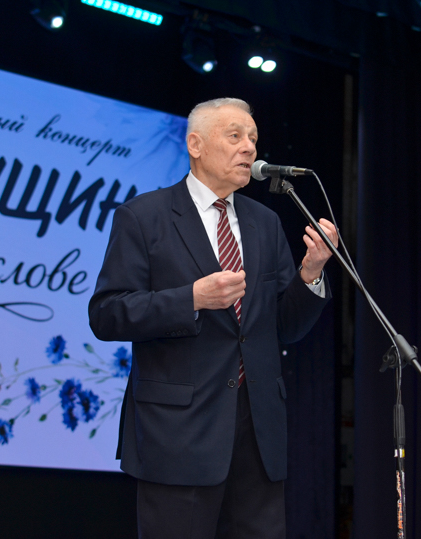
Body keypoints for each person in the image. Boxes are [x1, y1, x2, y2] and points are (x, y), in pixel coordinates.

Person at [88, 98, 338, 538]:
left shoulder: (265, 222)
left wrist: (310, 273)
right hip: (178, 434)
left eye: (253, 139)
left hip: (257, 433)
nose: (249, 148)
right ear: (196, 145)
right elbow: (108, 314)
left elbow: (285, 326)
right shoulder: (144, 216)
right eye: (235, 136)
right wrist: (191, 299)